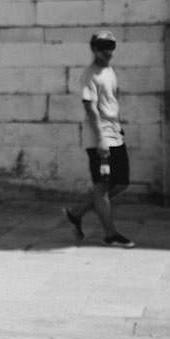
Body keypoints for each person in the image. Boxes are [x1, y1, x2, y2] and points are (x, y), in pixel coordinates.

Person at [61, 32, 135, 247]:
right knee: (102, 186)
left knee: (121, 183)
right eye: (102, 48)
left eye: (110, 47)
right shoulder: (89, 76)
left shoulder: (110, 71)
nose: (107, 52)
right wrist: (101, 139)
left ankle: (76, 213)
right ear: (94, 49)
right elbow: (90, 108)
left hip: (115, 133)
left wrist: (118, 127)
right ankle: (111, 234)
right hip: (98, 137)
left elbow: (112, 100)